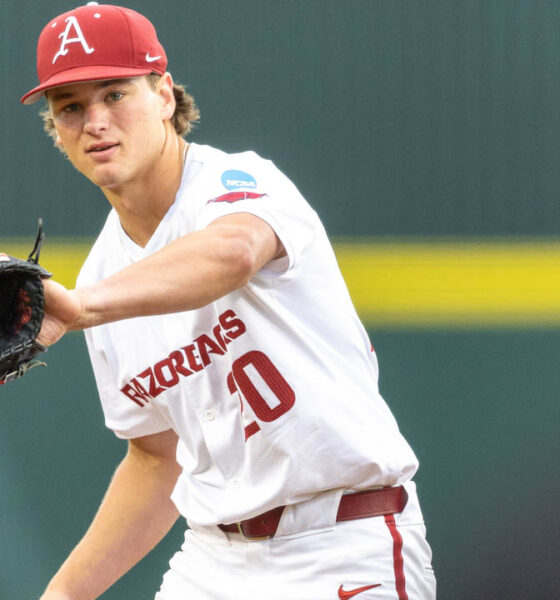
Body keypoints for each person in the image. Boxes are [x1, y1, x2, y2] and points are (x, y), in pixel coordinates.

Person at [22, 3, 436, 599]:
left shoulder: (238, 182)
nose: (94, 121)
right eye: (71, 108)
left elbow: (235, 251)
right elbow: (156, 459)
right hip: (212, 560)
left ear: (164, 95)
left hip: (342, 538)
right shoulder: (100, 275)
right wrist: (64, 594)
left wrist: (84, 308)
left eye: (115, 93)